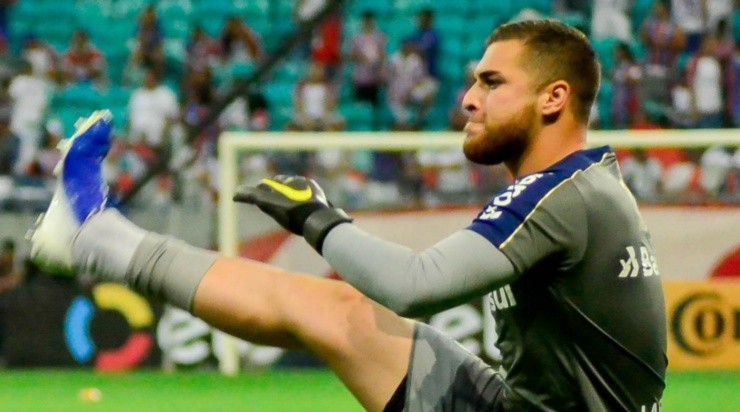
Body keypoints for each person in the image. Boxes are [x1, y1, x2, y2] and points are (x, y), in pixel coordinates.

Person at [31, 20, 667, 411]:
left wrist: (320, 220)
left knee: (354, 308)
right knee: (337, 312)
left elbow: (416, 286)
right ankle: (97, 236)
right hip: (520, 406)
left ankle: (96, 238)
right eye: (474, 81)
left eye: (492, 83)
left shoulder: (561, 194)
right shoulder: (581, 188)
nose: (468, 98)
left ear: (554, 98)